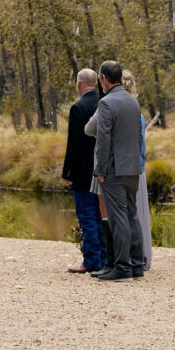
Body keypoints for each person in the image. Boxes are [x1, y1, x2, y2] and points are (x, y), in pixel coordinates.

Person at [91, 60, 144, 283]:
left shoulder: (106, 103)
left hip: (113, 168)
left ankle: (122, 267)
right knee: (132, 215)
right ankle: (136, 264)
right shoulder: (133, 102)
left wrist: (100, 170)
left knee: (118, 218)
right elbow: (139, 136)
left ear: (103, 78)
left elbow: (103, 139)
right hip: (132, 166)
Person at [63, 68, 106, 275]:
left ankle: (91, 259)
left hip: (82, 171)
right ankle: (104, 256)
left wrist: (67, 173)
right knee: (101, 215)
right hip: (103, 169)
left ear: (79, 84)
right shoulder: (104, 103)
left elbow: (74, 143)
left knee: (87, 215)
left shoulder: (78, 107)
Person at [122, 70, 153, 272]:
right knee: (138, 213)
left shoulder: (128, 112)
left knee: (133, 213)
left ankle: (136, 255)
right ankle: (140, 255)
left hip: (131, 168)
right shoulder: (137, 112)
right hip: (138, 168)